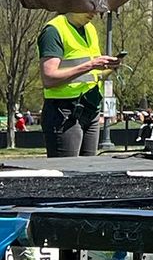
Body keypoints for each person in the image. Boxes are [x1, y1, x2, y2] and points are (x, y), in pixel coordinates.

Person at [37, 11, 120, 157]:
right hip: (64, 112)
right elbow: (49, 78)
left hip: (91, 109)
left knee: (88, 170)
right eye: (89, 6)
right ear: (73, 2)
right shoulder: (53, 30)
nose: (95, 11)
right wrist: (91, 65)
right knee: (67, 171)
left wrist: (109, 69)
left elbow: (92, 76)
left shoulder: (90, 29)